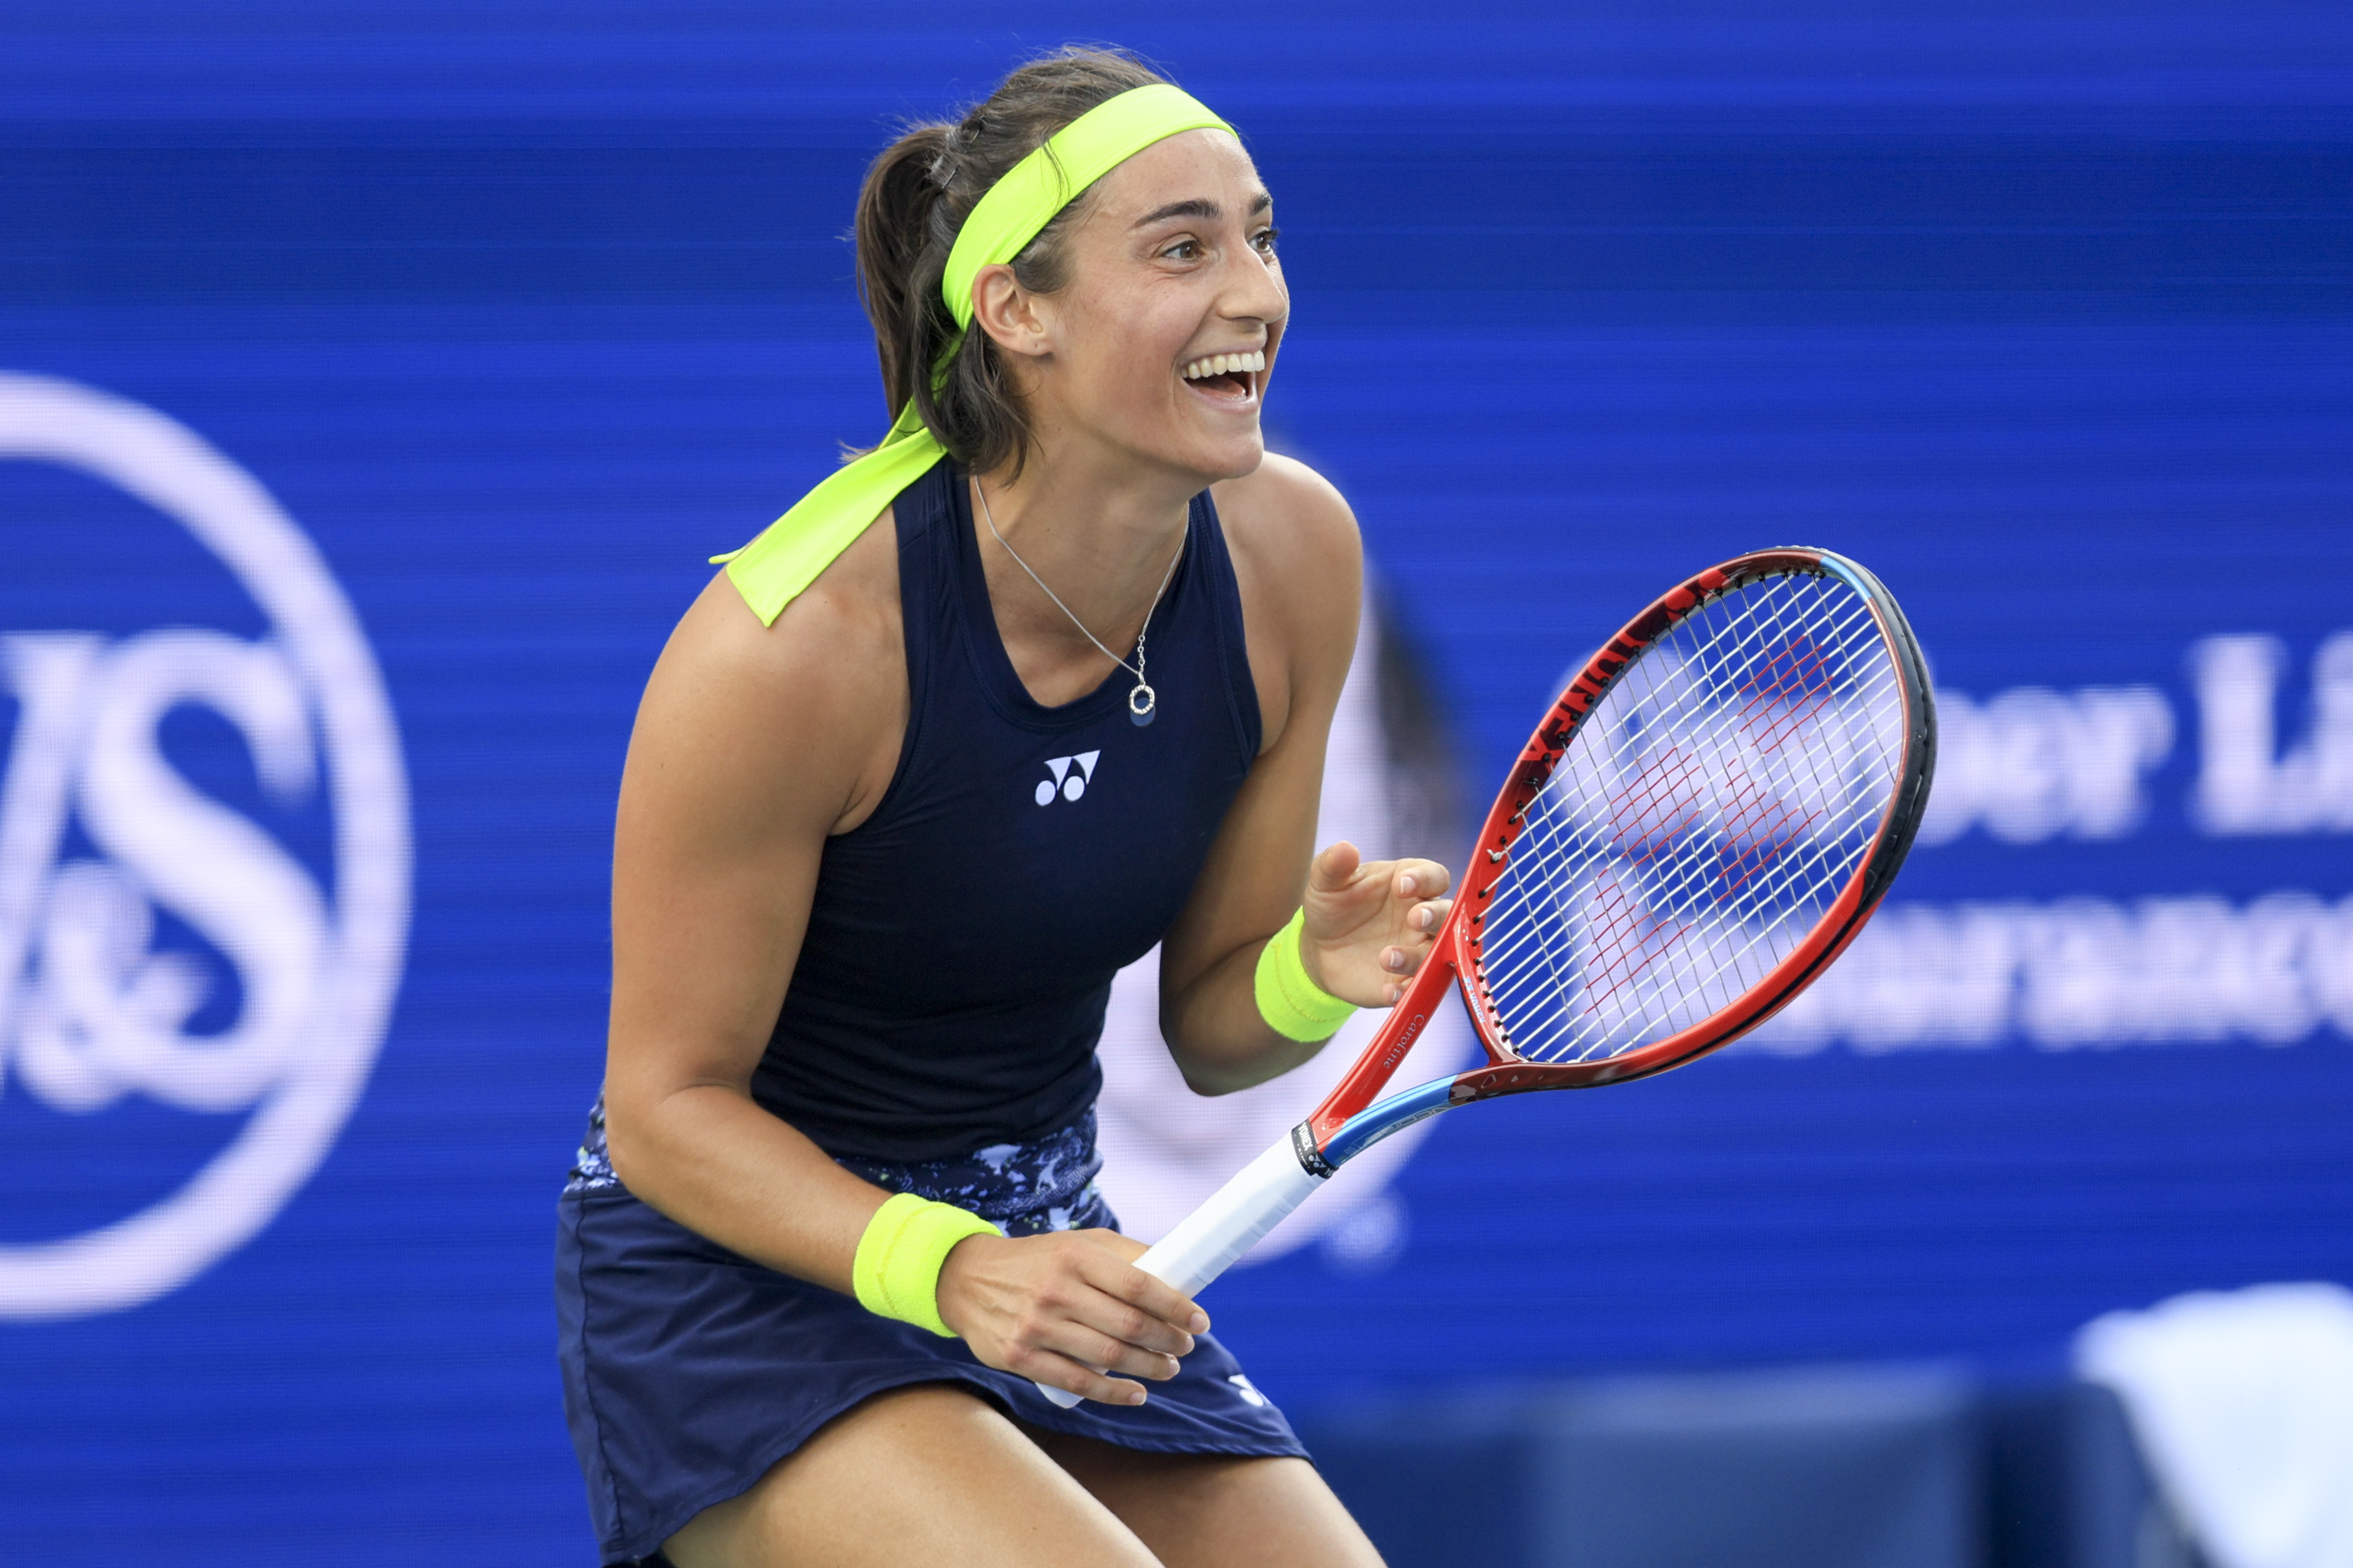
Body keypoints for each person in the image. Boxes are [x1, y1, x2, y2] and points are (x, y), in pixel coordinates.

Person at [556, 47, 1451, 1568]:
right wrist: (951, 1266)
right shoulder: (797, 650)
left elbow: (1213, 1027)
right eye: (1183, 248)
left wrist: (1317, 970)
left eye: (1261, 234)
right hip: (747, 1286)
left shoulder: (1297, 552)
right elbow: (662, 1112)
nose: (1256, 293)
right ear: (1015, 310)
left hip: (1047, 1253)